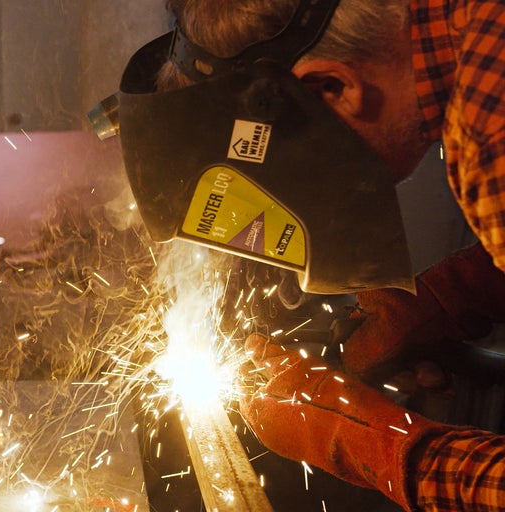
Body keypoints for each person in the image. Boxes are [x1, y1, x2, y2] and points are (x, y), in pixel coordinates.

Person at [155, 0, 505, 510]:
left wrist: (386, 449)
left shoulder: (488, 137)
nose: (319, 199)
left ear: (333, 88)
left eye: (296, 175)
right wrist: (454, 295)